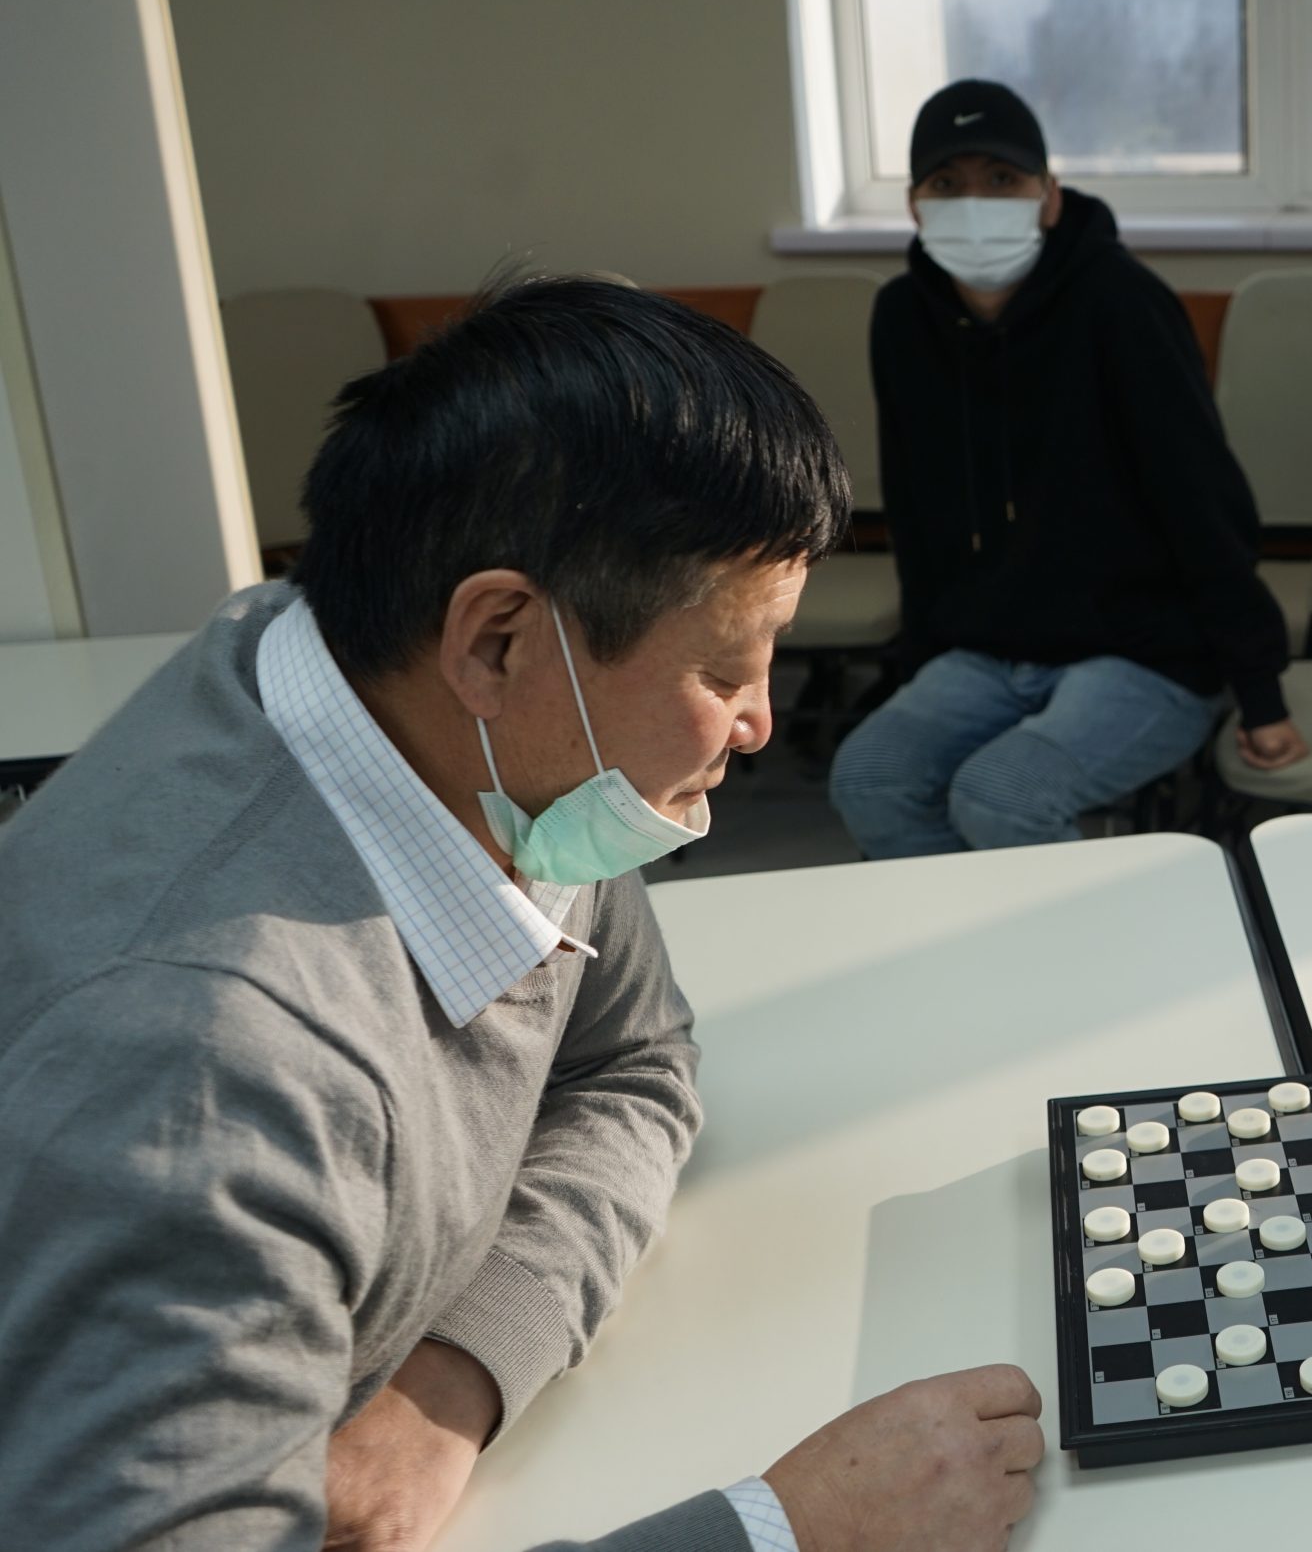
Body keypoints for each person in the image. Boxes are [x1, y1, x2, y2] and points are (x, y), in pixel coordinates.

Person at [0, 277, 1044, 1550]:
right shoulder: (202, 1079)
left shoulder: (461, 735)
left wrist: (448, 1388)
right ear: (496, 640)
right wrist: (790, 1532)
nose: (760, 723)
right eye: (724, 669)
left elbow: (632, 1062)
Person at [830, 80, 1306, 856]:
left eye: (1001, 179)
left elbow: (1202, 500)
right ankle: (967, 929)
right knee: (867, 777)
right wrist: (920, 664)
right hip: (987, 647)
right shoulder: (902, 318)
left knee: (1001, 795)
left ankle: (1060, 935)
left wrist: (1260, 692)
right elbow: (917, 510)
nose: (974, 202)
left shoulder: (1122, 301)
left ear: (1048, 197)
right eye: (947, 184)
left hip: (1143, 648)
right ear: (915, 205)